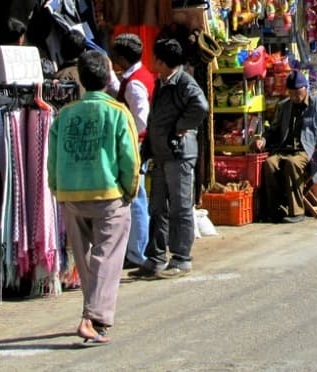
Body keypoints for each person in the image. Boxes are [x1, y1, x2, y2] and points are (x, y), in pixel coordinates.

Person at [48, 51, 140, 346]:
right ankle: (92, 318)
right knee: (107, 257)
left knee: (87, 259)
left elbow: (52, 160)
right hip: (108, 194)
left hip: (71, 194)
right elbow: (130, 160)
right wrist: (130, 191)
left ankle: (94, 317)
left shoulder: (64, 115)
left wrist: (57, 189)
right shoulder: (117, 112)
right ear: (107, 76)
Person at [129, 38, 208, 279]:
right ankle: (155, 258)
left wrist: (179, 128)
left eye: (155, 58)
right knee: (157, 207)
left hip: (179, 154)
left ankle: (181, 258)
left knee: (180, 207)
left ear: (162, 61)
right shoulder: (162, 83)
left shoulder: (184, 83)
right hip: (162, 155)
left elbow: (201, 107)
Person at [255, 71, 317, 223]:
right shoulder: (284, 106)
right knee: (269, 164)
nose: (295, 97)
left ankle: (296, 211)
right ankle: (276, 210)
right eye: (291, 93)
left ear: (306, 89)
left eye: (298, 93)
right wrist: (263, 140)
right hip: (285, 149)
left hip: (309, 151)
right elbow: (273, 129)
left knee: (293, 164)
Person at [109, 33, 156, 268]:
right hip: (136, 143)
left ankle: (138, 251)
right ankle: (137, 248)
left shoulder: (135, 82)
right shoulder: (135, 77)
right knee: (137, 196)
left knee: (136, 197)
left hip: (135, 144)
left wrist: (129, 140)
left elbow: (141, 119)